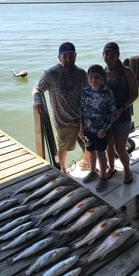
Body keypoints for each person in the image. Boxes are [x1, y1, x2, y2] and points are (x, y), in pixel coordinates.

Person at [33, 42, 86, 173]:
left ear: (75, 56)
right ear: (59, 57)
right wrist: (37, 99)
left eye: (71, 56)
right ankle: (63, 169)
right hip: (63, 120)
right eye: (65, 56)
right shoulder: (51, 74)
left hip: (82, 118)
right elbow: (37, 88)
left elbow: (88, 94)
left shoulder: (81, 73)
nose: (68, 59)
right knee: (62, 148)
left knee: (90, 144)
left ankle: (87, 162)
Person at [103, 42, 138, 184]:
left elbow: (135, 94)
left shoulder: (126, 72)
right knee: (108, 146)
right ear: (103, 55)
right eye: (106, 54)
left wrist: (122, 108)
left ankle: (128, 172)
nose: (109, 58)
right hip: (108, 118)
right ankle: (111, 168)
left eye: (112, 55)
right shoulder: (103, 72)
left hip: (123, 116)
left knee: (120, 148)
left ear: (118, 56)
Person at [80, 64, 116, 192]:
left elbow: (112, 113)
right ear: (87, 78)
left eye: (96, 77)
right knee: (90, 151)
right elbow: (82, 109)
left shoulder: (107, 93)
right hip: (88, 128)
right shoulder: (85, 91)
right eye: (91, 77)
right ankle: (92, 171)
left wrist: (105, 129)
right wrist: (81, 126)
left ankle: (103, 177)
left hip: (101, 130)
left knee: (101, 153)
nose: (93, 80)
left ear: (102, 79)